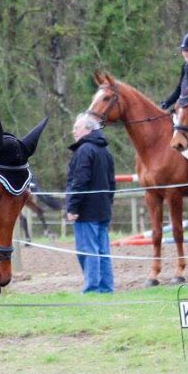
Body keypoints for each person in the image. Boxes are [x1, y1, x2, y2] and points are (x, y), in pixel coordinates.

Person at [65, 113, 116, 293]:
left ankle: (92, 288)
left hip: (86, 211)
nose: (73, 131)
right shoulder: (105, 151)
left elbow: (79, 181)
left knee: (88, 251)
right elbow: (112, 183)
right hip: (103, 210)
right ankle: (106, 287)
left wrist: (73, 207)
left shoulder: (85, 150)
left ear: (88, 129)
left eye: (77, 128)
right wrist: (108, 205)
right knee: (102, 250)